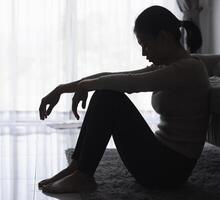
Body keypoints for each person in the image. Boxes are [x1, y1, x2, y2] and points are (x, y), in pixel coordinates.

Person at [38, 5, 210, 193]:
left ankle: (83, 175)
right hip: (160, 160)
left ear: (163, 37)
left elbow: (131, 83)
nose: (144, 53)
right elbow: (115, 75)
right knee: (105, 91)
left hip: (169, 172)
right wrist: (62, 89)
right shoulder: (170, 66)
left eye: (145, 44)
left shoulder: (189, 69)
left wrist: (87, 86)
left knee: (107, 97)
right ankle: (78, 167)